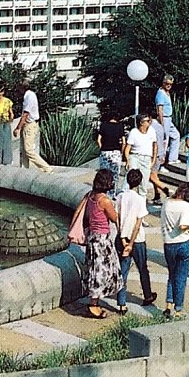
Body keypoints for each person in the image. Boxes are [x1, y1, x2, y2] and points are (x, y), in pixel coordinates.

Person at [114, 168, 157, 313]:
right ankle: (147, 295)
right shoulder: (139, 200)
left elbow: (117, 219)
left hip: (121, 238)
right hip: (137, 240)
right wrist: (131, 243)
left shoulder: (120, 197)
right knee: (142, 268)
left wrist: (122, 238)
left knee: (123, 270)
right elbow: (138, 224)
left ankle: (121, 303)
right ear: (139, 183)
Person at [81, 169, 121, 318]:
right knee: (101, 272)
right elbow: (114, 218)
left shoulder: (91, 196)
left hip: (93, 237)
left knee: (94, 269)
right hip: (102, 240)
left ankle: (94, 302)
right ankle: (93, 304)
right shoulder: (104, 201)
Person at [160, 182, 189, 317]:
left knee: (172, 275)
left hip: (168, 244)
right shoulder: (186, 206)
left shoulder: (166, 202)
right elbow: (182, 226)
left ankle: (168, 305)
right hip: (183, 243)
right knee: (181, 278)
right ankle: (178, 309)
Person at [125, 114, 166, 202]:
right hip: (135, 156)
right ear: (141, 123)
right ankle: (127, 200)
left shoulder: (151, 131)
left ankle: (141, 203)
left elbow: (155, 145)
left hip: (147, 158)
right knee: (131, 179)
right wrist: (127, 160)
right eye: (147, 121)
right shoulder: (134, 132)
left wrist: (153, 160)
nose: (149, 122)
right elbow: (128, 148)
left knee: (144, 183)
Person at [15, 81, 53, 172]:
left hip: (30, 125)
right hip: (27, 124)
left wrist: (18, 128)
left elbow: (26, 113)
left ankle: (46, 168)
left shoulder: (29, 96)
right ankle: (24, 170)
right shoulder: (29, 95)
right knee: (24, 150)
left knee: (28, 150)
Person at [154, 75, 181, 168]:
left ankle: (172, 158)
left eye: (170, 84)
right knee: (164, 141)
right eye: (167, 83)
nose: (169, 85)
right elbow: (160, 110)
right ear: (163, 83)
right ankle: (161, 165)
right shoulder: (161, 94)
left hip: (169, 118)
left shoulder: (167, 93)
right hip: (164, 118)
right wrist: (161, 124)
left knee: (176, 135)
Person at [96, 110, 125, 189]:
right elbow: (124, 142)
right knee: (115, 175)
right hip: (116, 152)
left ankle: (104, 190)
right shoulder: (120, 126)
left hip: (105, 152)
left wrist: (102, 148)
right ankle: (113, 191)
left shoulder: (103, 125)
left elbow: (98, 140)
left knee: (104, 175)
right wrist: (121, 152)